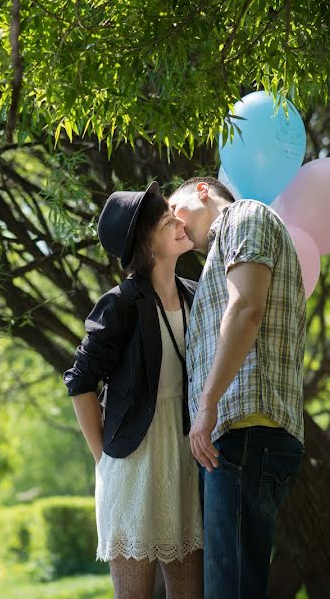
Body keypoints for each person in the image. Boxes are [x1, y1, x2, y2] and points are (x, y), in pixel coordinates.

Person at [168, 177, 306, 598]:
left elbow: (246, 307)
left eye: (175, 208)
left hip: (246, 434)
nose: (174, 226)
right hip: (242, 439)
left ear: (203, 191)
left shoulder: (245, 215)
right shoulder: (220, 252)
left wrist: (207, 406)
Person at [64, 181, 203, 599]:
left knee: (189, 591)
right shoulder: (120, 303)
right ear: (148, 244)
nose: (180, 222)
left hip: (185, 452)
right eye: (166, 222)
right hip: (133, 461)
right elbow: (80, 381)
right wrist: (104, 457)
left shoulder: (195, 294)